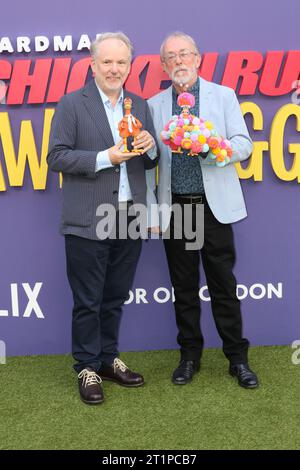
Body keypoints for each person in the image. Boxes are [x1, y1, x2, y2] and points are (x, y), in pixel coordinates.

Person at [47, 32, 159, 405]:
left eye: (121, 62)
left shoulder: (139, 105)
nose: (114, 69)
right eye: (107, 62)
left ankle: (108, 359)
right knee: (88, 300)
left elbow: (153, 159)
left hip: (129, 215)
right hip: (87, 216)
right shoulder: (70, 104)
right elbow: (57, 157)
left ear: (130, 66)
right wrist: (104, 158)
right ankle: (86, 366)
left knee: (114, 297)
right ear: (93, 65)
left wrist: (150, 146)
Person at [147, 32, 258, 388]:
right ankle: (189, 357)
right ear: (163, 66)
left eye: (184, 54)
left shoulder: (222, 96)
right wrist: (151, 211)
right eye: (171, 57)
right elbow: (149, 165)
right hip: (177, 206)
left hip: (214, 208)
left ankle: (237, 359)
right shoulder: (153, 105)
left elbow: (244, 145)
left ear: (197, 59)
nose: (178, 61)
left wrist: (213, 147)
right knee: (183, 288)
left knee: (223, 285)